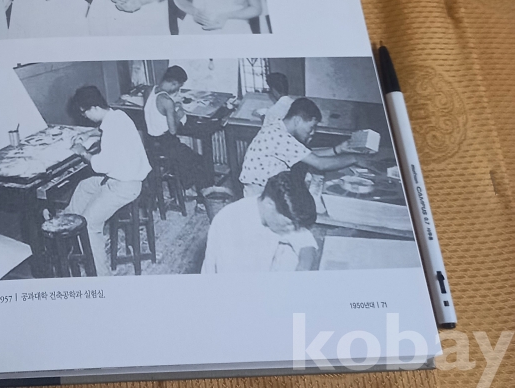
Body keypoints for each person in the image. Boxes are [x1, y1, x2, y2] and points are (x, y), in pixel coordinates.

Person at [63, 86, 151, 276]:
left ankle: (101, 276)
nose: (85, 116)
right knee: (84, 187)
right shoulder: (118, 116)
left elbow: (101, 165)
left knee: (89, 224)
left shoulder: (112, 127)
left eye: (84, 113)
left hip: (125, 186)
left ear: (94, 108)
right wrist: (89, 134)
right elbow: (106, 131)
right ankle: (70, 232)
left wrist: (82, 152)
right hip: (124, 178)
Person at [239, 97, 371, 197]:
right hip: (259, 193)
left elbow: (308, 155)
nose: (313, 132)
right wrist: (354, 158)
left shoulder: (278, 129)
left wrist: (339, 149)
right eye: (311, 127)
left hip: (263, 189)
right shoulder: (280, 136)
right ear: (297, 120)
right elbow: (320, 164)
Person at [201, 171, 318, 273]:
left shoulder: (273, 208)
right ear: (269, 204)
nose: (291, 230)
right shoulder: (231, 225)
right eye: (288, 224)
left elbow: (305, 241)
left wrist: (303, 268)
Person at [143, 65, 215, 199]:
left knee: (185, 155)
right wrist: (179, 114)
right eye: (179, 86)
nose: (178, 89)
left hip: (151, 142)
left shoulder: (148, 91)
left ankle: (186, 187)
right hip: (166, 144)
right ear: (174, 83)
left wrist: (171, 110)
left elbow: (156, 112)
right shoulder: (167, 101)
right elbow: (173, 130)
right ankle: (202, 197)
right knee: (199, 160)